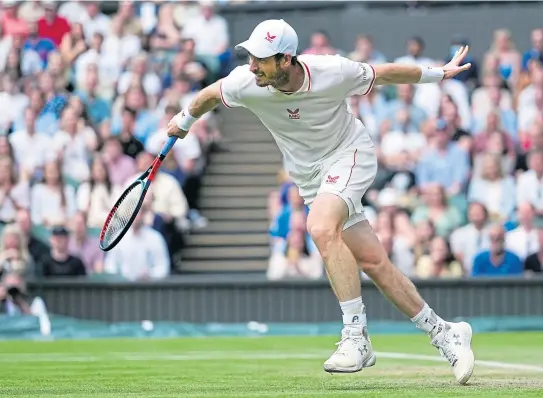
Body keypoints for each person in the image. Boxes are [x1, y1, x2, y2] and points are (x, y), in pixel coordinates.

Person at [167, 19, 474, 384]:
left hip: (350, 154)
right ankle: (445, 333)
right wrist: (184, 121)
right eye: (250, 57)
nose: (252, 66)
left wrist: (437, 74)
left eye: (261, 59)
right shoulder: (245, 82)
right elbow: (209, 95)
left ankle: (356, 336)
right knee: (375, 263)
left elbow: (385, 74)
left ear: (286, 59)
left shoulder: (332, 70)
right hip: (311, 179)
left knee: (319, 227)